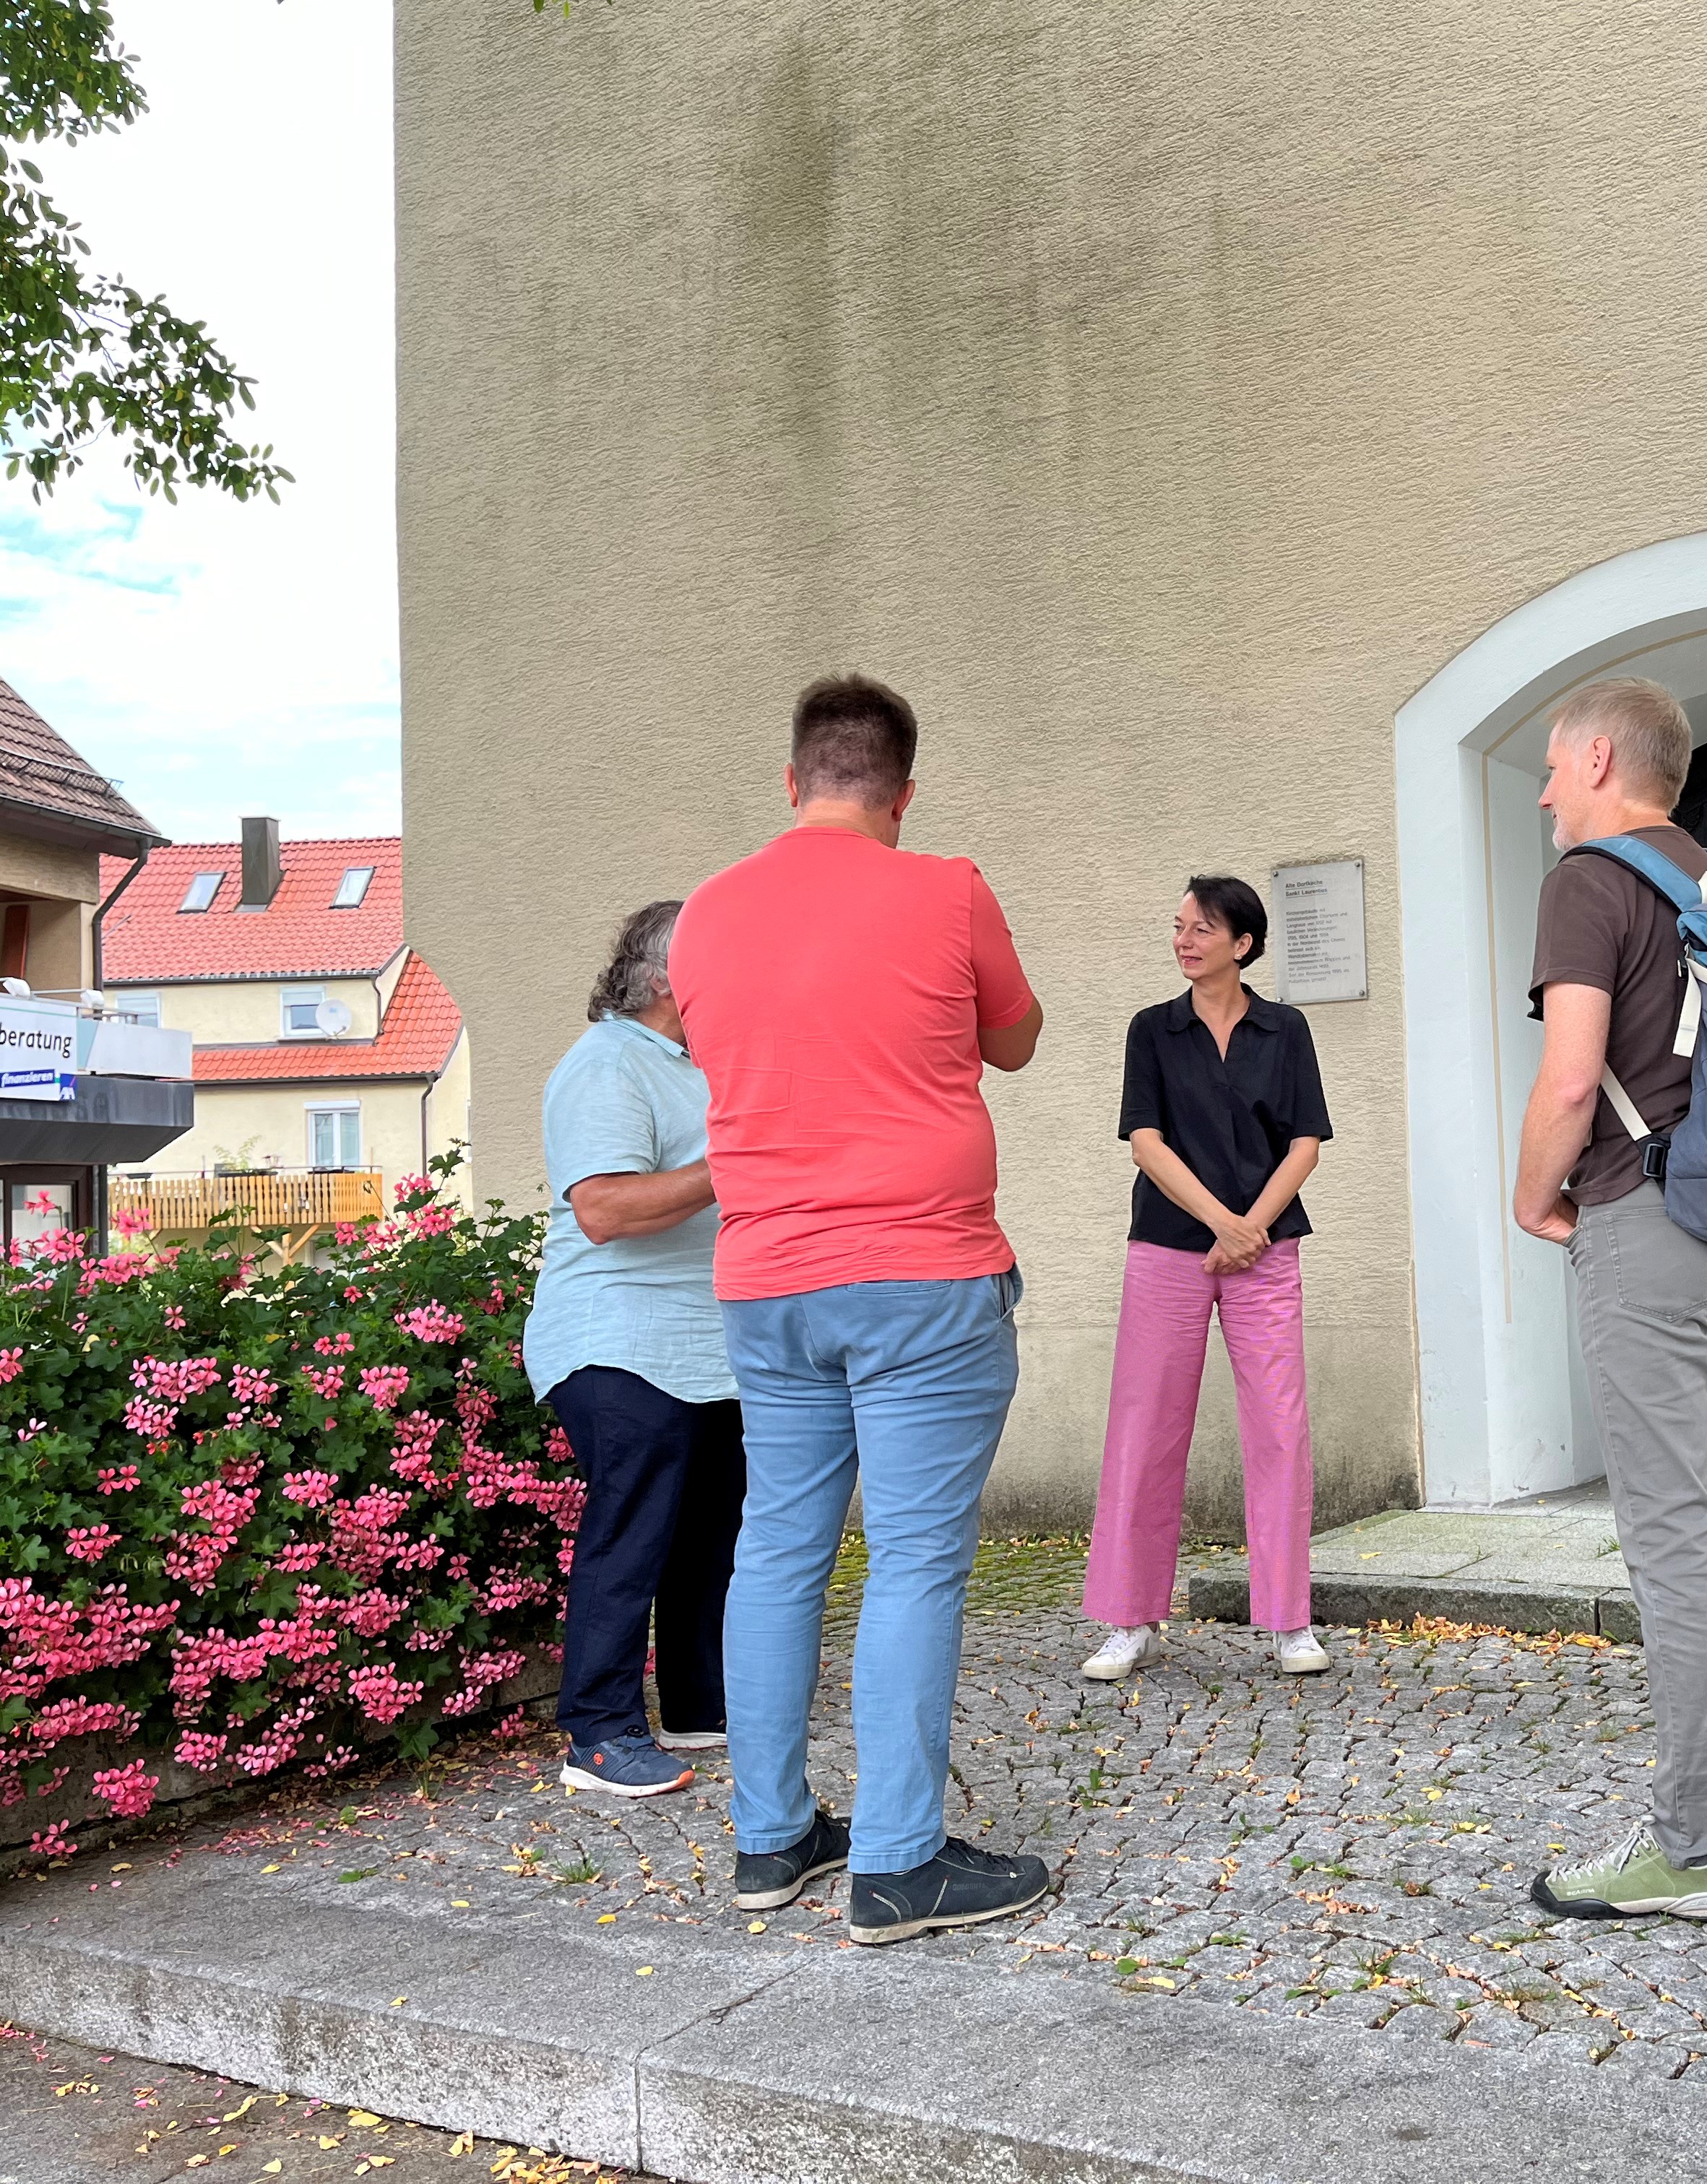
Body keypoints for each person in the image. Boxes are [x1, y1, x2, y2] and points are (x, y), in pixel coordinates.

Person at [666, 671, 1054, 1944]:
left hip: (767, 1280)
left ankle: (769, 1837)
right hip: (920, 1276)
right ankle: (897, 1862)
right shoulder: (945, 885)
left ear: (791, 782)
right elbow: (1017, 1039)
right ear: (900, 792)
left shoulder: (704, 918)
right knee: (914, 1559)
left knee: (775, 1551)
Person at [1510, 676, 1707, 1922]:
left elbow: (1569, 1075)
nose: (1541, 788)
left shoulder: (1587, 882)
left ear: (1597, 757)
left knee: (1672, 1540)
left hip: (1647, 1223)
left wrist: (1534, 1197)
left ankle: (1689, 1847)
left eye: (1549, 764)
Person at [1079, 876, 1334, 1682]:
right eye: (1180, 926)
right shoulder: (1153, 1030)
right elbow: (1145, 1143)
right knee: (1145, 1426)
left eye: (1202, 928)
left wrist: (1251, 1225)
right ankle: (1130, 1620)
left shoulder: (1284, 1030)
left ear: (1243, 944)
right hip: (1169, 1247)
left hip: (1266, 1247)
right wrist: (1224, 1225)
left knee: (1281, 1431)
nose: (1185, 939)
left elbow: (1306, 1143)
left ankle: (1290, 1621)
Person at [525, 900, 745, 1799]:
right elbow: (606, 1209)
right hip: (617, 1337)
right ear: (666, 979)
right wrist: (742, 1158)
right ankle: (599, 1734)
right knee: (634, 1532)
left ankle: (697, 1708)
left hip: (707, 1342)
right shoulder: (608, 1062)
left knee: (709, 1535)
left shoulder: (697, 1066)